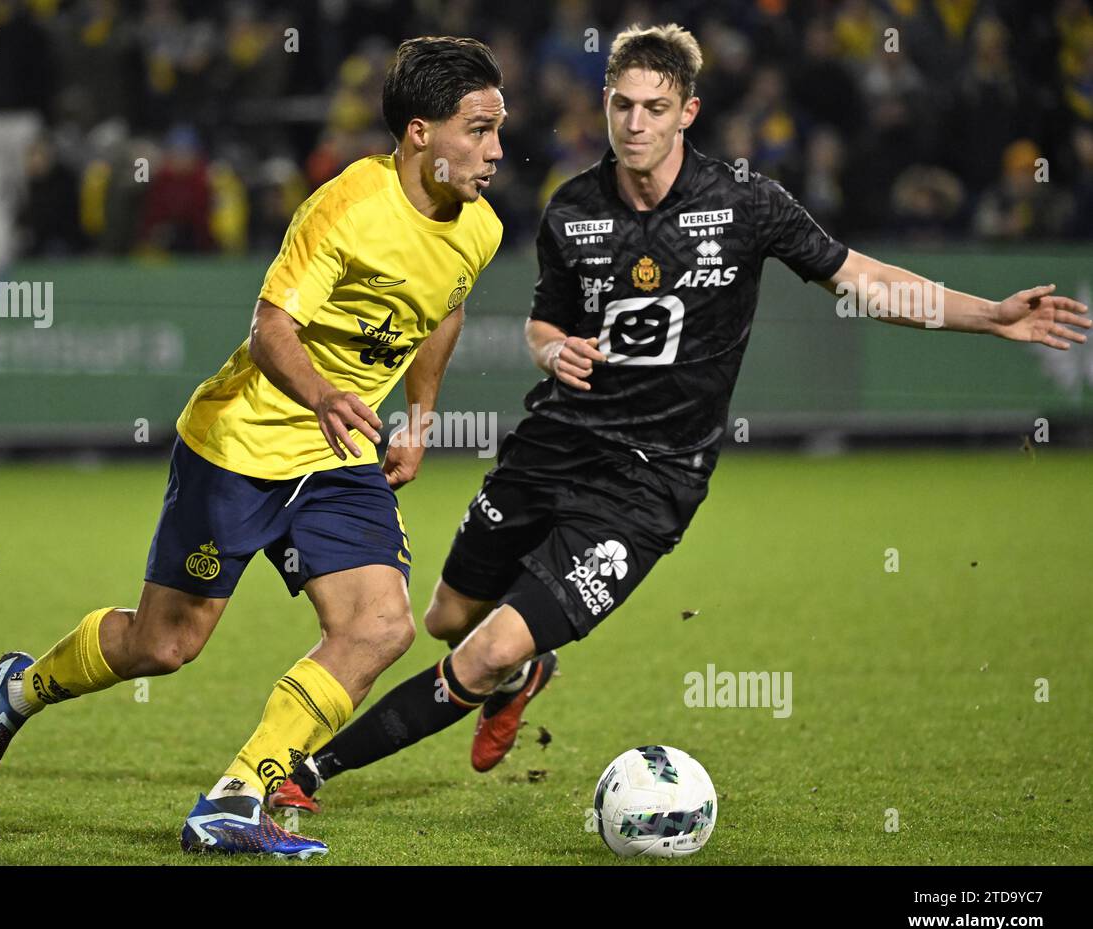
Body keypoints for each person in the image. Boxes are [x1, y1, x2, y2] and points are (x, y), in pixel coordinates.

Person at [271, 23, 1090, 818]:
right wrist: (552, 352)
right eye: (622, 105)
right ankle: (525, 675)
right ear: (605, 103)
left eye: (654, 108)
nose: (634, 123)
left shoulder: (746, 205)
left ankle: (312, 771)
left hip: (648, 484)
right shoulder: (573, 209)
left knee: (480, 650)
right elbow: (542, 324)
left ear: (687, 112)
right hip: (551, 445)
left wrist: (991, 315)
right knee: (446, 617)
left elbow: (862, 279)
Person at [0, 36, 506, 859]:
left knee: (381, 626)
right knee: (164, 644)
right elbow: (269, 328)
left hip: (337, 456)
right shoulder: (348, 207)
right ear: (420, 132)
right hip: (240, 444)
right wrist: (323, 395)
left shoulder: (479, 228)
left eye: (498, 131)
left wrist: (419, 419)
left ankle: (236, 796)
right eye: (478, 130)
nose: (496, 151)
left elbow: (443, 309)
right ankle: (19, 690)